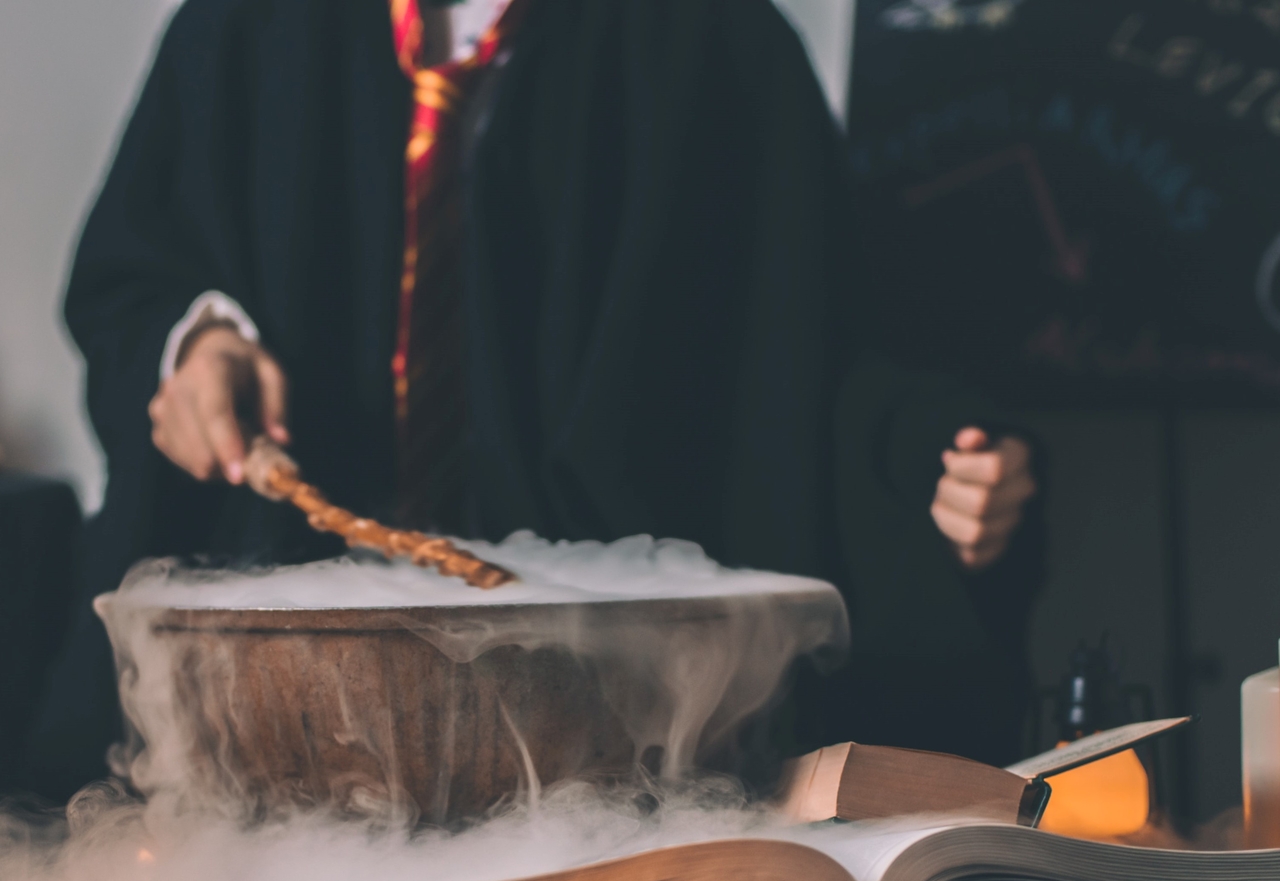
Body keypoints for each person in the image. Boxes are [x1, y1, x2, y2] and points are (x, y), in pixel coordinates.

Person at [23, 0, 1039, 800]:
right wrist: (192, 344)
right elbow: (132, 280)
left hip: (603, 707)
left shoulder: (714, 45)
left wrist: (924, 463)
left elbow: (807, 357)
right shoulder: (242, 32)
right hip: (289, 706)